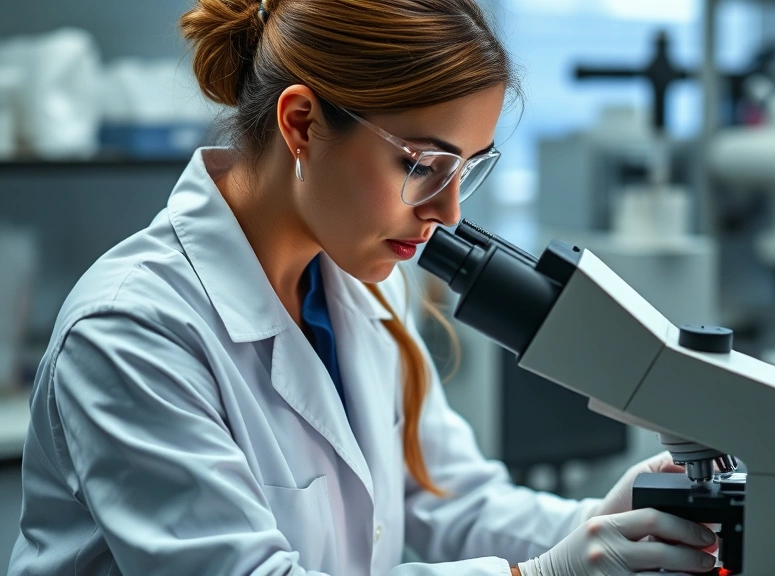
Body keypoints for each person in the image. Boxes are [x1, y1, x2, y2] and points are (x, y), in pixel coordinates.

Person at [8, 1, 719, 575]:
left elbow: (444, 499)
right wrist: (542, 575)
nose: (448, 213)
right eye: (426, 165)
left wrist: (612, 521)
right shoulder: (130, 330)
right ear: (301, 124)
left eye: (467, 167)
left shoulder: (362, 283)